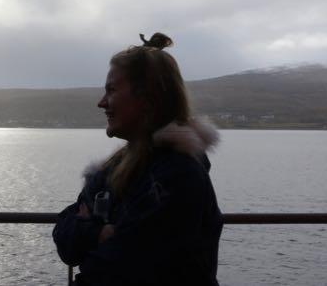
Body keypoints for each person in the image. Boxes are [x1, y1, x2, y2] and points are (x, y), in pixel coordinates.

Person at [52, 33, 223, 286]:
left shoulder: (177, 176)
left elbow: (112, 270)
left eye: (111, 90)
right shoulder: (112, 168)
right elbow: (64, 235)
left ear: (147, 98)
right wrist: (100, 233)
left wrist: (89, 232)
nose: (101, 103)